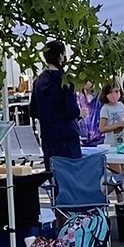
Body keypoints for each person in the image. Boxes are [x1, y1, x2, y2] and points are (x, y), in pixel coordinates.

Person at [29, 40, 82, 170]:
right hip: (67, 134)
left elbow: (33, 111)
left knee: (54, 175)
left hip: (48, 135)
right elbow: (71, 111)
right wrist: (80, 113)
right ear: (60, 55)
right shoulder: (66, 80)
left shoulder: (38, 81)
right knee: (72, 175)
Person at [99, 84, 124, 203]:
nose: (115, 95)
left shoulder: (121, 105)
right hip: (111, 146)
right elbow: (102, 128)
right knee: (117, 176)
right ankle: (119, 201)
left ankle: (118, 200)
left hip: (122, 144)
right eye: (112, 92)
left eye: (117, 91)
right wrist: (118, 125)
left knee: (120, 176)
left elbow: (122, 121)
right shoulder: (105, 108)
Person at [76, 81, 104, 147]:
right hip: (82, 138)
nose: (85, 82)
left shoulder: (100, 95)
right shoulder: (77, 95)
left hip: (98, 138)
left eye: (87, 80)